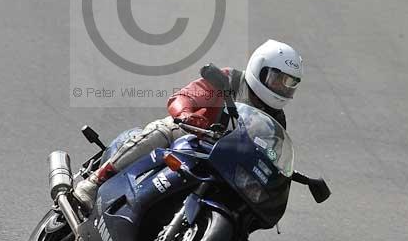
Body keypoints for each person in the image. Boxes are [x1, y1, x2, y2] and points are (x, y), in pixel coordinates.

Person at [73, 39, 303, 211]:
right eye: (278, 79)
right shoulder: (229, 81)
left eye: (289, 84)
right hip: (192, 137)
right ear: (260, 68)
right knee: (164, 131)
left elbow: (269, 154)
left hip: (224, 164)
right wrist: (186, 114)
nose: (282, 88)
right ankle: (95, 182)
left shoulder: (276, 120)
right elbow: (186, 96)